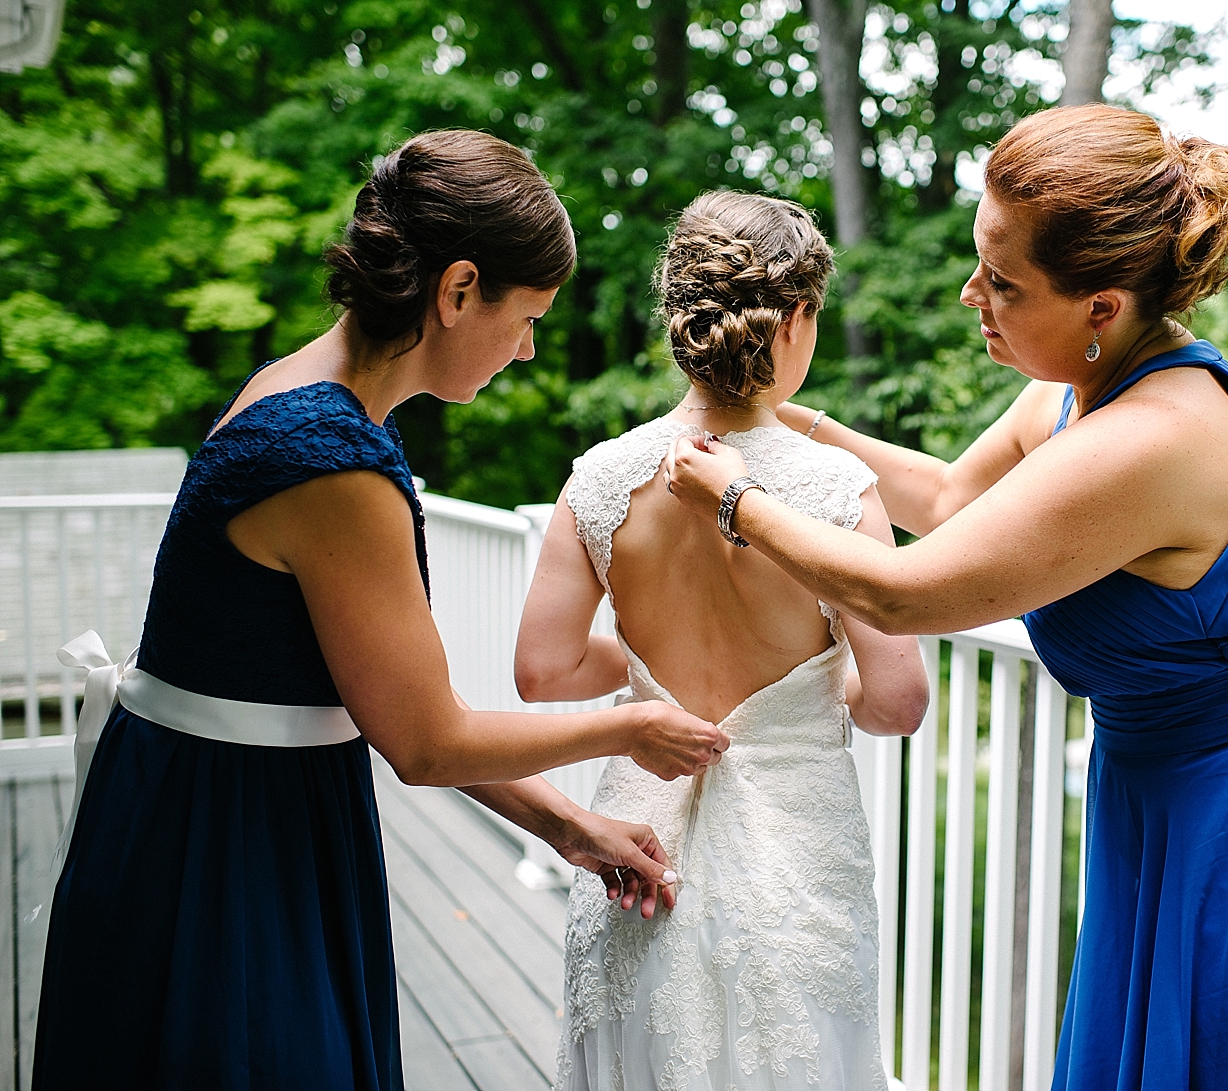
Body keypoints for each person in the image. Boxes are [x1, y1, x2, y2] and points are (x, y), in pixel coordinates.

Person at [666, 105, 1228, 1088]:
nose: (970, 296)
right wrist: (787, 422)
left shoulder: (1151, 439)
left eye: (1002, 283)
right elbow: (950, 497)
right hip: (1168, 794)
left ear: (1101, 306)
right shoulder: (1077, 388)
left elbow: (907, 594)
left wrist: (736, 497)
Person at [34, 130, 729, 1091]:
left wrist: (569, 827)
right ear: (456, 292)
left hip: (204, 802)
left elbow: (389, 704)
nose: (527, 349)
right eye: (525, 316)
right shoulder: (333, 463)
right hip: (230, 848)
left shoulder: (306, 395)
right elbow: (426, 741)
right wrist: (630, 728)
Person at [518, 190, 928, 1091]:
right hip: (794, 865)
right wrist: (820, 683)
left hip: (634, 844)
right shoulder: (835, 487)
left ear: (682, 320)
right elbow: (896, 701)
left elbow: (543, 670)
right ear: (795, 321)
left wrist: (648, 670)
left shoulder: (602, 477)